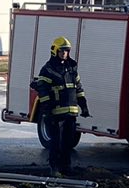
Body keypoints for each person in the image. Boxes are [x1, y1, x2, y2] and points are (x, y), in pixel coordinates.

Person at [31, 35, 88, 176]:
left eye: (67, 51)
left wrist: (84, 106)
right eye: (62, 51)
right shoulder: (48, 69)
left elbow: (79, 89)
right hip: (55, 113)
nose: (64, 54)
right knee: (55, 142)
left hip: (71, 113)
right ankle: (54, 168)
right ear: (55, 51)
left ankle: (66, 167)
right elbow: (43, 91)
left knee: (68, 143)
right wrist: (47, 111)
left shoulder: (72, 68)